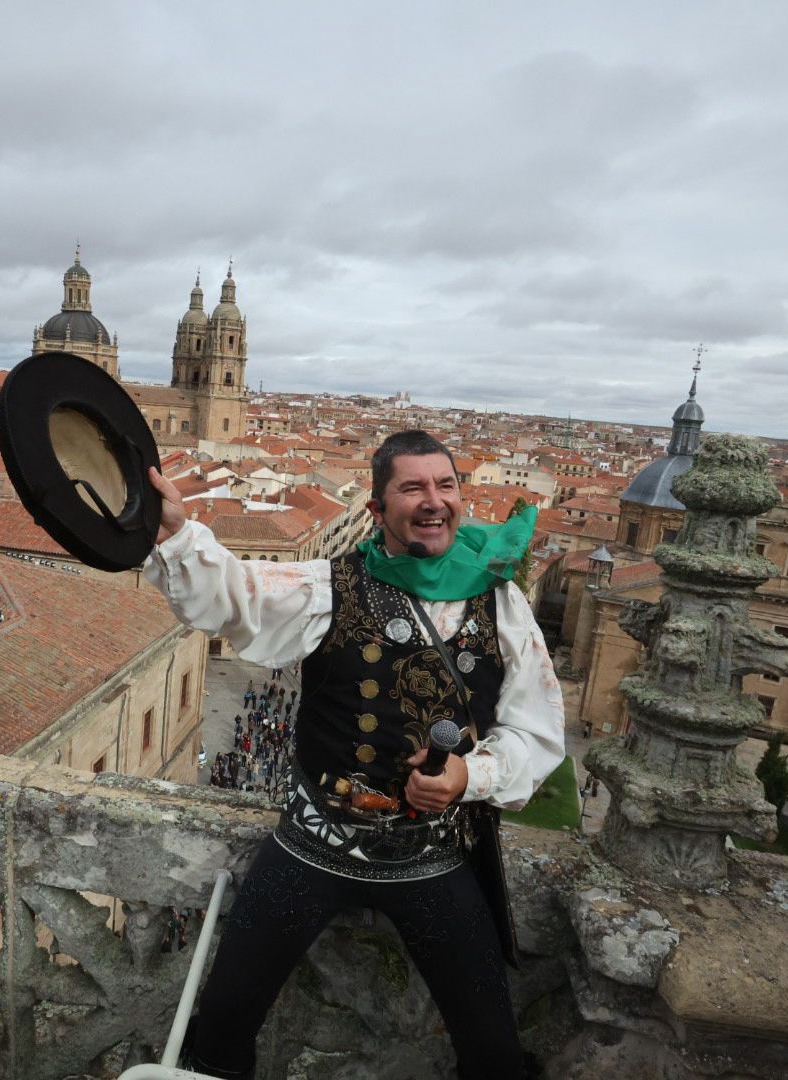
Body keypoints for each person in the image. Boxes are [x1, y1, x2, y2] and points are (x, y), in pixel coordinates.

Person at [143, 429, 565, 1079]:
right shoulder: (330, 585)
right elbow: (235, 596)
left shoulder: (501, 601)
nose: (433, 500)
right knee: (222, 1025)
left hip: (432, 858)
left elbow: (536, 729)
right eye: (412, 487)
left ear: (461, 498)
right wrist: (175, 531)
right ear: (377, 510)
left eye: (445, 485)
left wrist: (468, 776)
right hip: (311, 846)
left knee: (494, 1053)